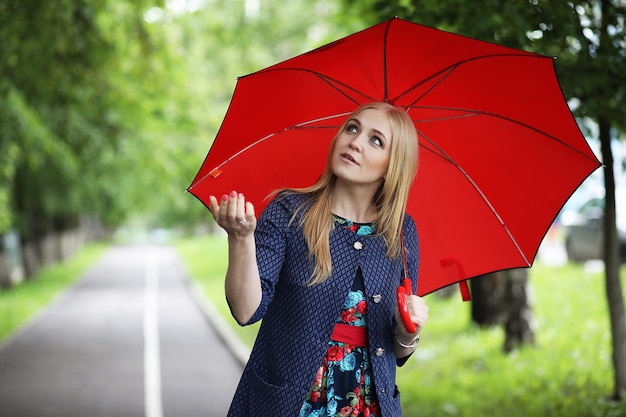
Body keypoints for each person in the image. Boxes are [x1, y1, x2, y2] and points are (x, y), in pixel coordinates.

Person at [208, 101, 429, 417]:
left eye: (375, 140)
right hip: (288, 404)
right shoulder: (289, 212)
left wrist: (410, 332)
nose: (355, 141)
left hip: (368, 406)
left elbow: (396, 349)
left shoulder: (402, 233)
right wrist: (240, 239)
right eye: (352, 128)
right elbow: (246, 310)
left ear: (393, 164)